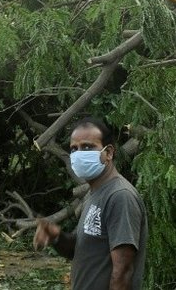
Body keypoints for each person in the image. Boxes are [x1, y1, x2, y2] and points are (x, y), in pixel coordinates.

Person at [34, 117, 148, 290]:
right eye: (74, 149)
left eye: (87, 147)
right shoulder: (94, 193)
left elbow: (123, 271)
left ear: (108, 153)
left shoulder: (120, 196)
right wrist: (57, 238)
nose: (79, 154)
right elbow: (80, 249)